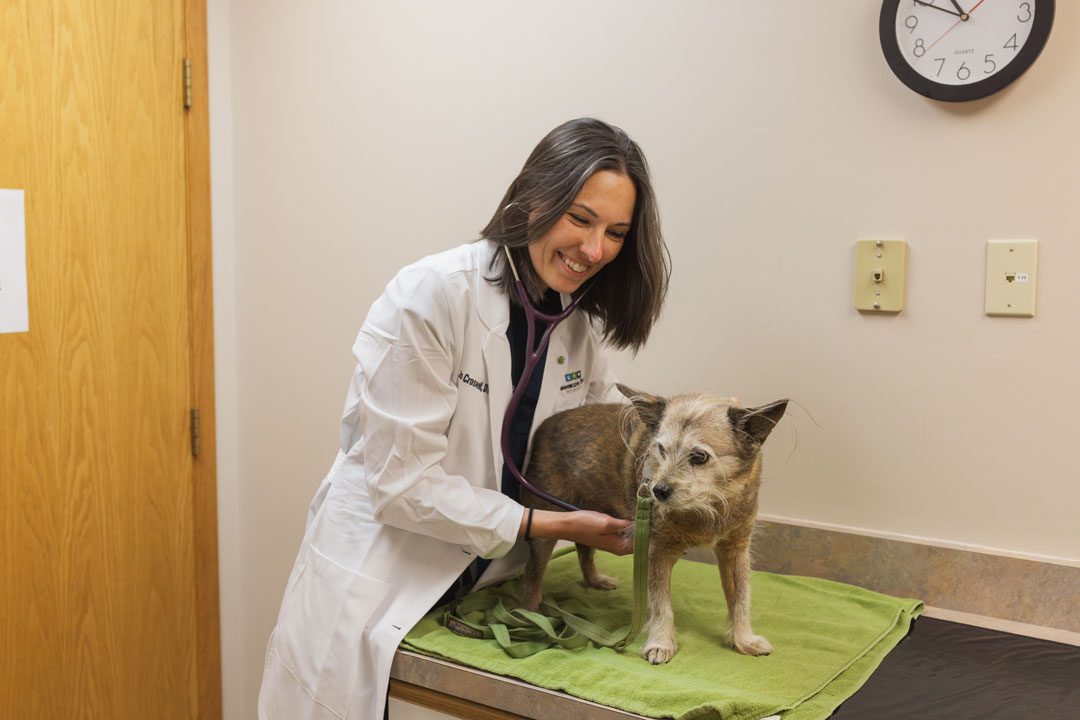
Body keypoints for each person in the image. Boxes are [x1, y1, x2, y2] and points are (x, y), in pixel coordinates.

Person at [258, 117, 670, 720]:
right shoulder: (431, 295)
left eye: (615, 232)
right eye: (580, 219)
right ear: (533, 198)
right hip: (381, 577)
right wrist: (547, 526)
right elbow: (402, 488)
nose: (594, 249)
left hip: (482, 583)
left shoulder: (574, 326)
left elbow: (600, 437)